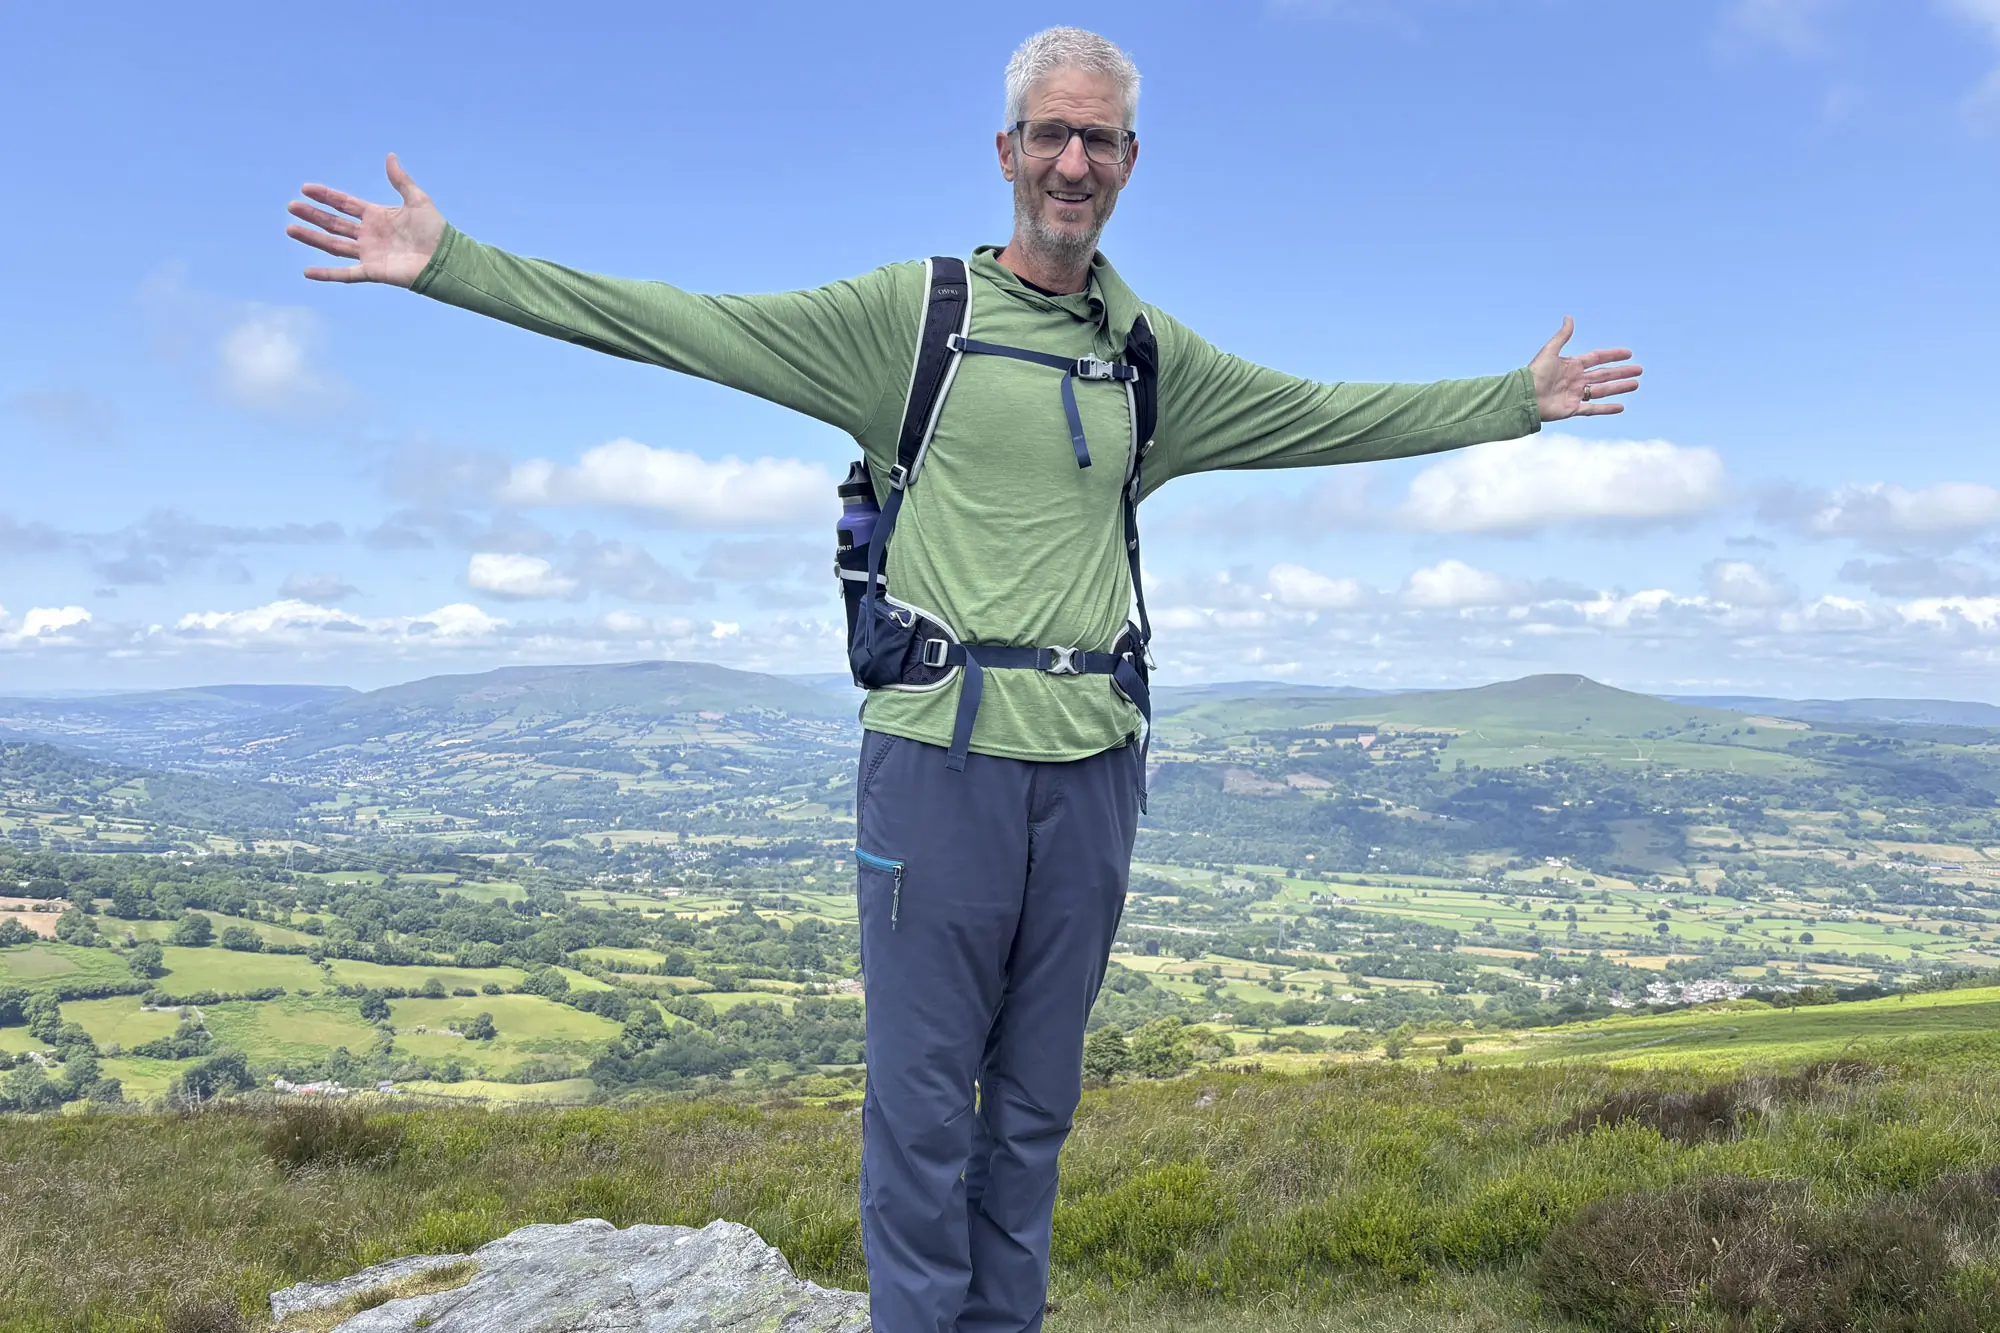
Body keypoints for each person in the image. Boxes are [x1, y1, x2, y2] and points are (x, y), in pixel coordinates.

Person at [286, 26, 1639, 1333]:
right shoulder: (912, 319)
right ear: (1005, 149)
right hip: (941, 766)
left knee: (1038, 1106)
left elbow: (1331, 415)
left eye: (1098, 141)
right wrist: (450, 263)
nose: (1072, 163)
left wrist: (1512, 401)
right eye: (1051, 134)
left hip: (1096, 769)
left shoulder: (1149, 359)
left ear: (1129, 161)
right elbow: (685, 326)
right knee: (925, 1108)